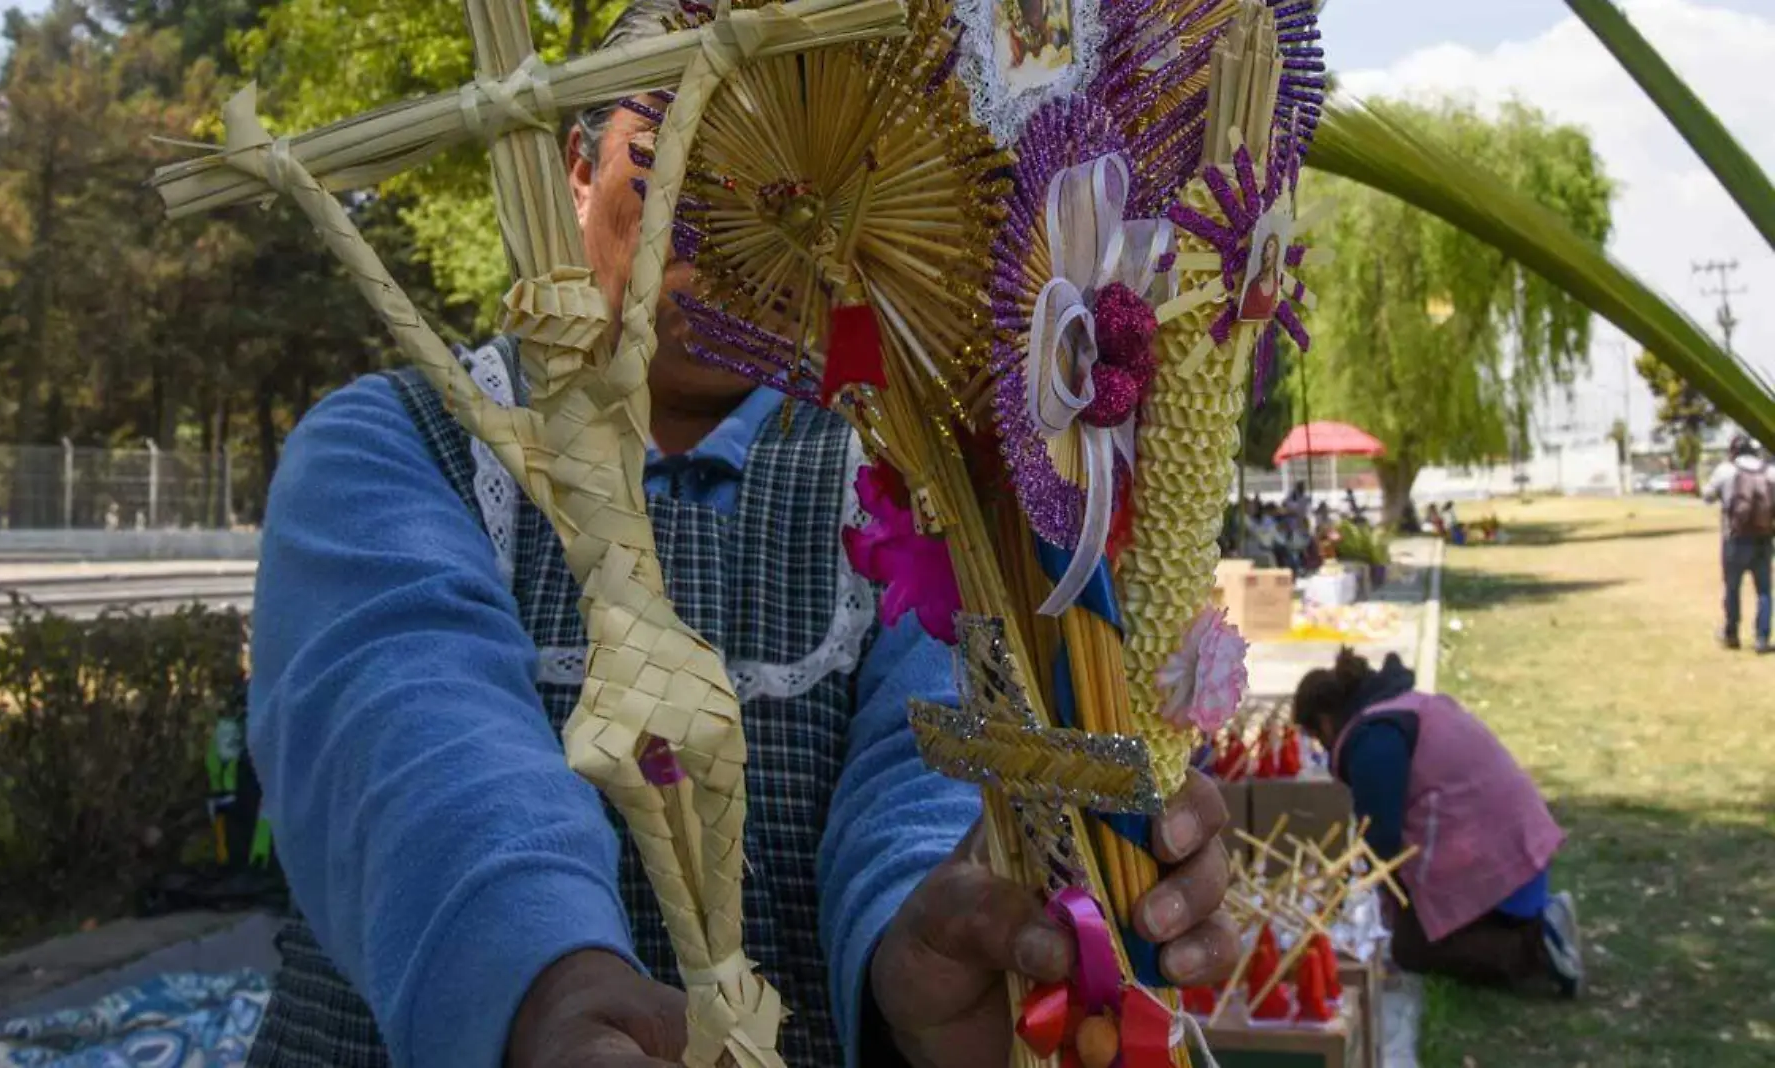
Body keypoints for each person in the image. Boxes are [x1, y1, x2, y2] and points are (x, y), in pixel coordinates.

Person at [242, 5, 1240, 1067]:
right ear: (577, 173)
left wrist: (944, 934)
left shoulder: (905, 490)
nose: (726, 207)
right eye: (672, 144)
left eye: (783, 157)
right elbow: (407, 732)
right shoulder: (394, 447)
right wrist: (548, 988)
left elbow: (927, 767)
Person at [1292, 650, 1582, 998]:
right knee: (1415, 922)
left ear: (1325, 722)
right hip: (1516, 842)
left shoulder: (1372, 740)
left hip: (1497, 856)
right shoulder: (1400, 706)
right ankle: (1532, 926)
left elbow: (1381, 840)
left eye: (1314, 738)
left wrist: (1351, 895)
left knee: (1412, 948)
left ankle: (1535, 945)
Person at [1702, 433, 1773, 652]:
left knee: (1732, 588)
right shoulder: (1769, 470)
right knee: (1764, 591)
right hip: (1763, 538)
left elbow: (1706, 496)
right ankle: (1762, 638)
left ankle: (1731, 633)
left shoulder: (1726, 470)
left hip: (1735, 539)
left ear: (1733, 451)